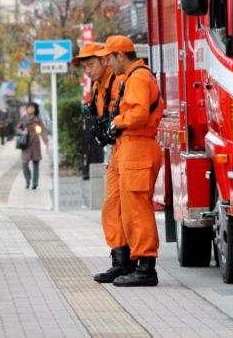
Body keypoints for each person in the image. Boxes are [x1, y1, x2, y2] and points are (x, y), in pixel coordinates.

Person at [93, 35, 164, 287]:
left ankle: (145, 267)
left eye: (109, 58)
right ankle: (124, 261)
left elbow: (139, 113)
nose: (107, 63)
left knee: (136, 208)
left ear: (120, 56)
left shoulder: (138, 77)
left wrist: (116, 121)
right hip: (126, 147)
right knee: (116, 206)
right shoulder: (132, 77)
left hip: (138, 146)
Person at [72, 43, 131, 280]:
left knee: (129, 208)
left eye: (91, 64)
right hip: (118, 151)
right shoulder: (98, 87)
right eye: (84, 66)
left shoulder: (119, 81)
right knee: (112, 207)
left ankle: (134, 262)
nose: (87, 70)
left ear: (105, 60)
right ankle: (121, 260)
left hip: (129, 147)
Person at [18, 102, 49, 190]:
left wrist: (45, 141)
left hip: (35, 141)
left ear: (35, 109)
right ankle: (28, 180)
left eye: (32, 108)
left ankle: (35, 183)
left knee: (36, 163)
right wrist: (22, 131)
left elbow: (42, 130)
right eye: (29, 108)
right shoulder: (24, 118)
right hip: (26, 142)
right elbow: (18, 127)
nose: (30, 109)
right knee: (25, 163)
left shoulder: (38, 119)